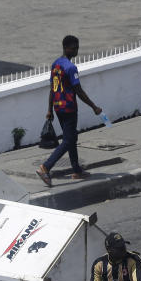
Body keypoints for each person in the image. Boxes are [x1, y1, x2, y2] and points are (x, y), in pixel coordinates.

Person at [36, 35, 102, 187]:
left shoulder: (56, 64)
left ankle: (77, 170)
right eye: (74, 47)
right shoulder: (71, 68)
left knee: (72, 137)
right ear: (66, 48)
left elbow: (53, 88)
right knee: (68, 140)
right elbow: (78, 90)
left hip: (58, 107)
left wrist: (50, 109)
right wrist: (94, 106)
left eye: (77, 47)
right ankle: (45, 167)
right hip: (69, 107)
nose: (76, 50)